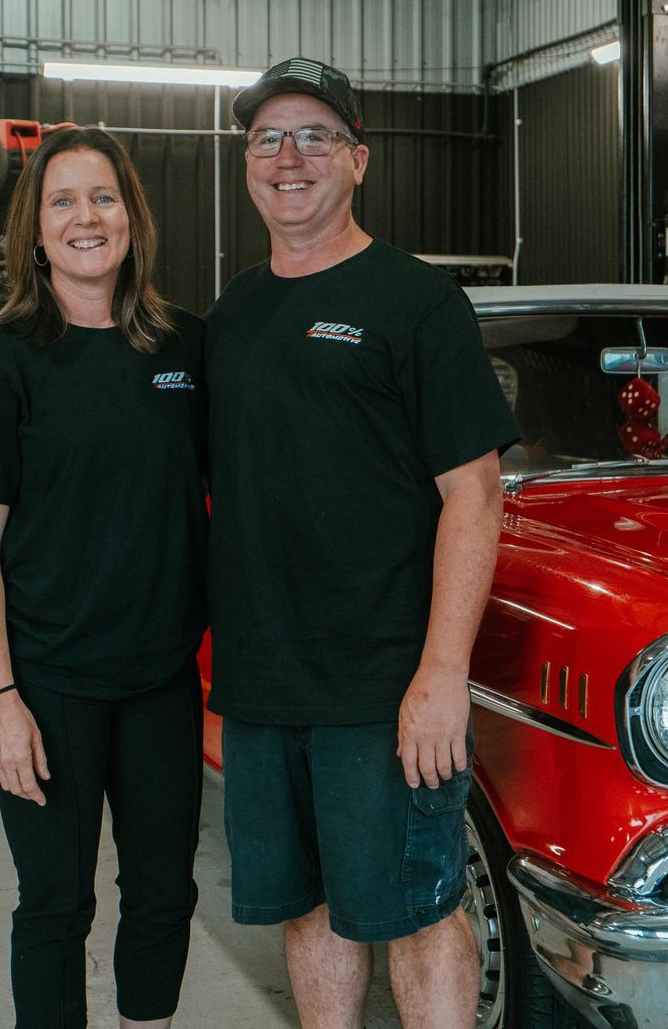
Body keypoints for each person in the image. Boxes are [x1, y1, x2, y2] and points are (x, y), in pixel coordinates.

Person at [205, 59, 519, 1028]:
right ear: (248, 164)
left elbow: (474, 494)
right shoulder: (233, 314)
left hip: (383, 685)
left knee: (421, 913)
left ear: (359, 160)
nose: (288, 156)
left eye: (313, 136)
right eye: (267, 137)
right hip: (263, 688)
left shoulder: (417, 302)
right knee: (308, 910)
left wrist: (440, 672)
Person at [0, 126, 206, 1029]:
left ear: (131, 217)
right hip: (44, 682)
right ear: (37, 229)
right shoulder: (2, 356)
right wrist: (0, 695)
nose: (85, 217)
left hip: (160, 679)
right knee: (56, 905)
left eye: (103, 198)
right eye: (63, 201)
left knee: (164, 895)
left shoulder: (183, 349)